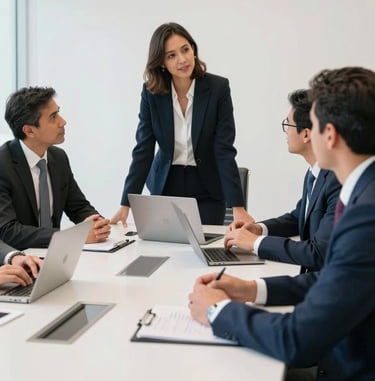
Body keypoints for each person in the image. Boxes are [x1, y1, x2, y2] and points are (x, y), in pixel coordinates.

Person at [189, 67, 375, 380]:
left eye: (312, 125)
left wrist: (217, 310)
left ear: (328, 135)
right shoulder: (363, 192)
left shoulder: (366, 215)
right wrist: (250, 289)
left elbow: (297, 340)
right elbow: (331, 279)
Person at [111, 22, 252, 226]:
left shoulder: (218, 88)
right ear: (161, 62)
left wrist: (238, 207)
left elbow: (224, 149)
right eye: (171, 55)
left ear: (193, 49)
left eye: (185, 49)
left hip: (207, 189)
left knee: (206, 250)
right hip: (165, 185)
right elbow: (143, 149)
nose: (182, 59)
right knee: (164, 250)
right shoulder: (151, 94)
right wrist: (126, 204)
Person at [224, 89, 341, 272]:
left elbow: (318, 253)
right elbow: (298, 218)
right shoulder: (314, 173)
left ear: (306, 134)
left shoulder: (336, 180)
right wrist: (258, 229)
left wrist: (256, 243)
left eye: (289, 125)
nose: (286, 131)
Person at [0, 87, 111, 250]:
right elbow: (8, 231)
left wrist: (95, 223)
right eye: (53, 117)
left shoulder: (58, 157)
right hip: (18, 260)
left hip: (55, 255)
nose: (63, 121)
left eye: (58, 112)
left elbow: (78, 206)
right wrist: (71, 237)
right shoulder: (3, 164)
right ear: (29, 130)